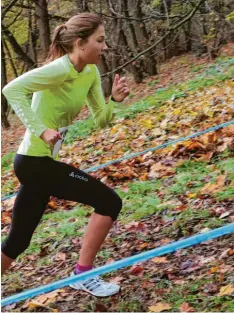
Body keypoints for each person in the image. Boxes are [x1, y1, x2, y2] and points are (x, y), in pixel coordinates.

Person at [1, 12, 129, 297]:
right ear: (80, 43)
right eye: (100, 40)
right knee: (109, 202)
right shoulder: (59, 69)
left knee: (18, 240)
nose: (105, 47)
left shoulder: (90, 72)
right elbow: (11, 89)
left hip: (40, 164)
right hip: (34, 162)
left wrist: (114, 102)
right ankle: (82, 274)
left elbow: (100, 120)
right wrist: (41, 130)